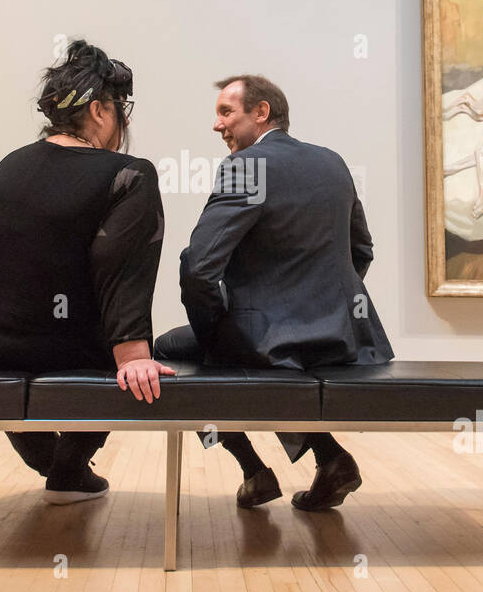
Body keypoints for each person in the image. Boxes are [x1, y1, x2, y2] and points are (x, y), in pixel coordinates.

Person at [0, 40, 172, 504]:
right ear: (97, 111)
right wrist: (133, 355)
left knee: (40, 329)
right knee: (106, 348)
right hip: (14, 342)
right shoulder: (129, 173)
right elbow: (122, 269)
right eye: (120, 109)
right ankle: (68, 469)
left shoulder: (11, 163)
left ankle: (49, 462)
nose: (125, 122)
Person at [154, 75, 394, 511]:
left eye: (226, 112)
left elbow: (199, 268)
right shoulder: (332, 162)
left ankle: (252, 469)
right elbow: (362, 250)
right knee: (271, 361)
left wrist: (213, 330)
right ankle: (329, 457)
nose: (216, 125)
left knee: (169, 352)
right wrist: (324, 304)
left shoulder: (247, 167)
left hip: (274, 340)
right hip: (345, 338)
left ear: (261, 112)